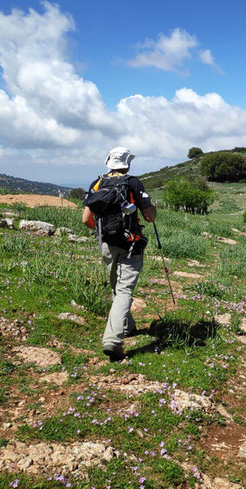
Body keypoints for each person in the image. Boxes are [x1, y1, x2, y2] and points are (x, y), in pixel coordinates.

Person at [82, 147, 156, 361]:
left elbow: (86, 219)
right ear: (127, 163)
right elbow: (149, 216)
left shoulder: (97, 183)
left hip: (106, 244)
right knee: (124, 291)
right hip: (130, 244)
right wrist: (153, 210)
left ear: (109, 162)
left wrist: (103, 232)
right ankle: (113, 341)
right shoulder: (133, 182)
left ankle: (128, 326)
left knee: (116, 286)